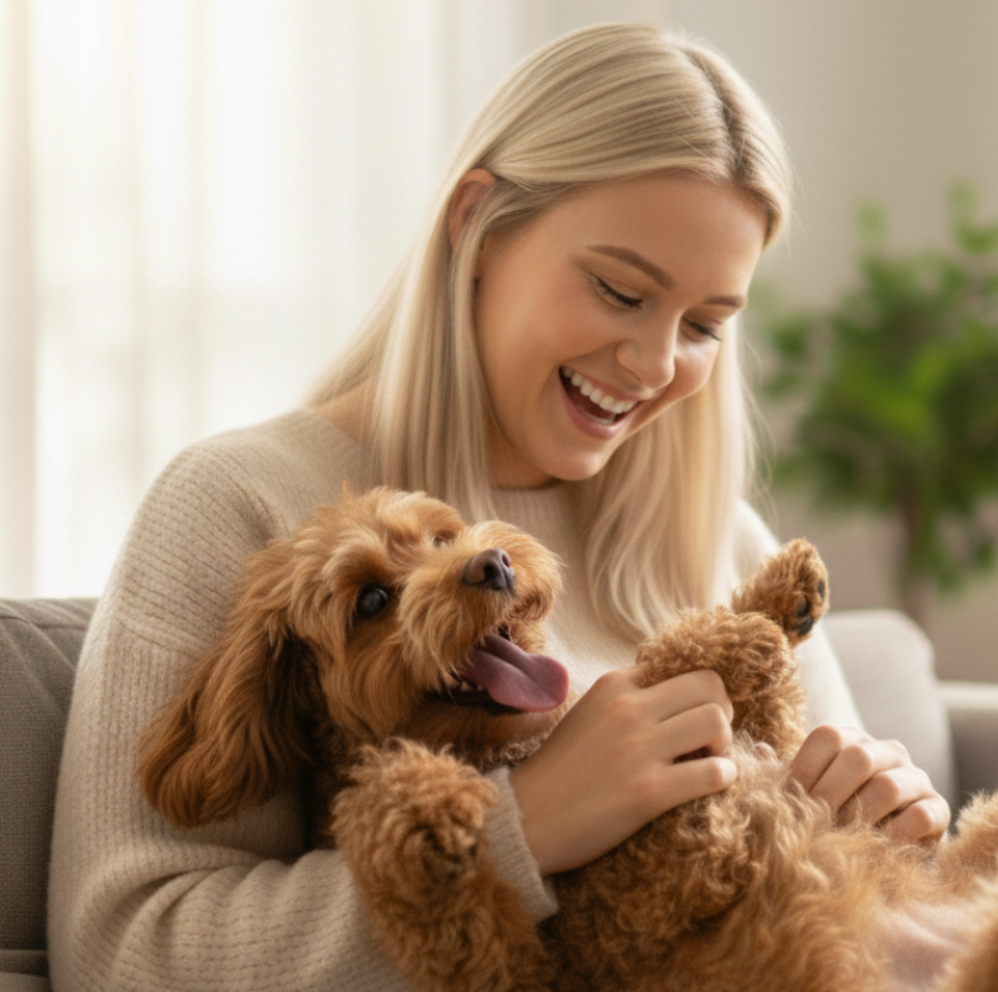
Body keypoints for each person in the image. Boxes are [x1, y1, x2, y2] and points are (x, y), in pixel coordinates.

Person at [49, 21, 950, 992]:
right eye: (618, 289)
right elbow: (123, 947)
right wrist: (521, 832)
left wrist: (895, 826)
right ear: (477, 223)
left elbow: (876, 912)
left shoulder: (717, 536)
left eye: (703, 325)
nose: (654, 365)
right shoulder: (238, 500)